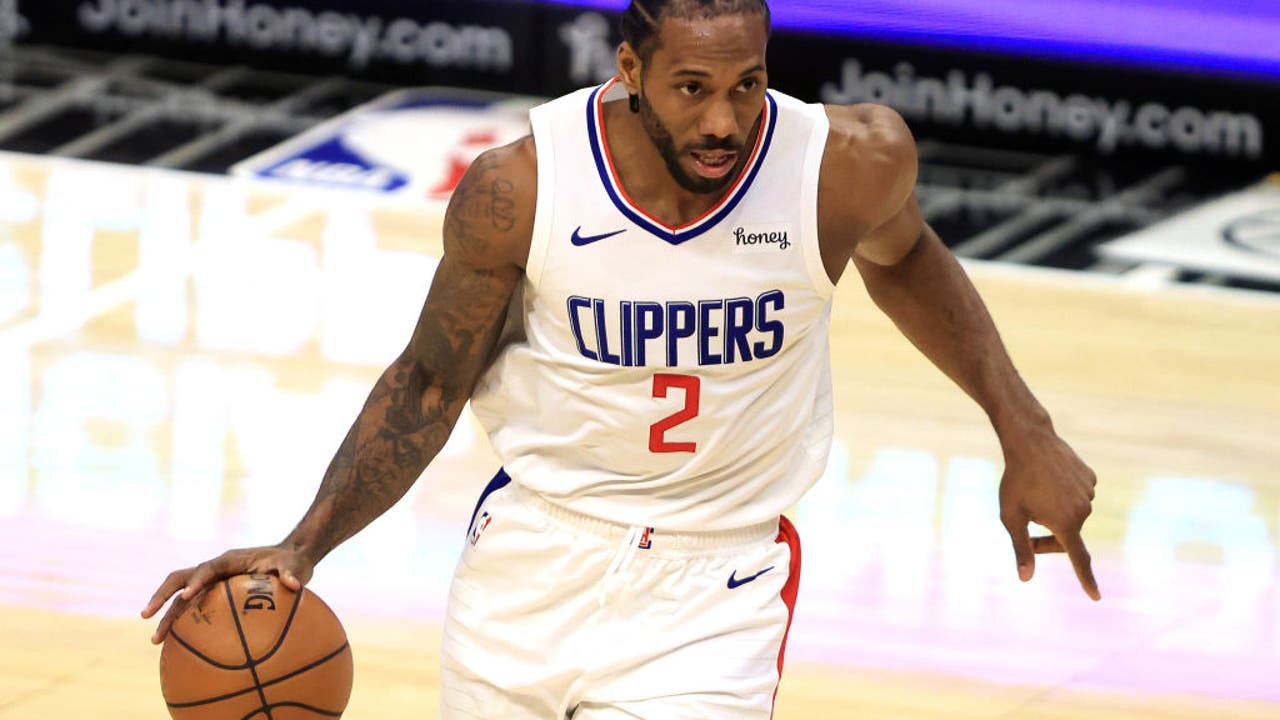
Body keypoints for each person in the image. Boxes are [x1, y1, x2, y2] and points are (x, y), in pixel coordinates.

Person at [143, 0, 1100, 716]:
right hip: (530, 561)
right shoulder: (521, 188)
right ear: (631, 69)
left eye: (748, 85)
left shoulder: (844, 164)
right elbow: (432, 380)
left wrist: (1026, 427)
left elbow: (910, 259)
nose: (725, 121)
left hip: (715, 585)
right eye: (693, 89)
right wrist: (305, 542)